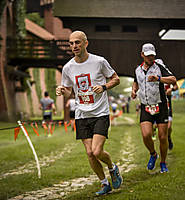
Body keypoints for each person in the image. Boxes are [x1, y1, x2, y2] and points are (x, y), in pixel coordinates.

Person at [56, 31, 122, 195]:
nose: (74, 46)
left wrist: (104, 87)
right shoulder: (68, 68)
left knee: (97, 151)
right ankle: (104, 183)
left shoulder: (99, 61)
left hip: (100, 112)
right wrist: (61, 90)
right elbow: (70, 93)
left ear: (86, 43)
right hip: (81, 115)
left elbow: (116, 79)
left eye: (77, 42)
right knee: (89, 153)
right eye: (71, 43)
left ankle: (112, 168)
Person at [131, 43, 176, 173]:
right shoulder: (138, 70)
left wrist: (158, 78)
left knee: (162, 137)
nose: (151, 58)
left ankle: (163, 163)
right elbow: (136, 82)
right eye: (148, 55)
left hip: (160, 106)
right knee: (146, 135)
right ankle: (153, 154)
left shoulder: (159, 67)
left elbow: (173, 80)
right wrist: (134, 91)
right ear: (142, 55)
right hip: (146, 106)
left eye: (152, 55)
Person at [165, 82, 178, 150]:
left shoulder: (166, 76)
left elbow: (176, 86)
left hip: (168, 108)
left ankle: (169, 138)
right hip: (158, 107)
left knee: (169, 127)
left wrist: (171, 89)